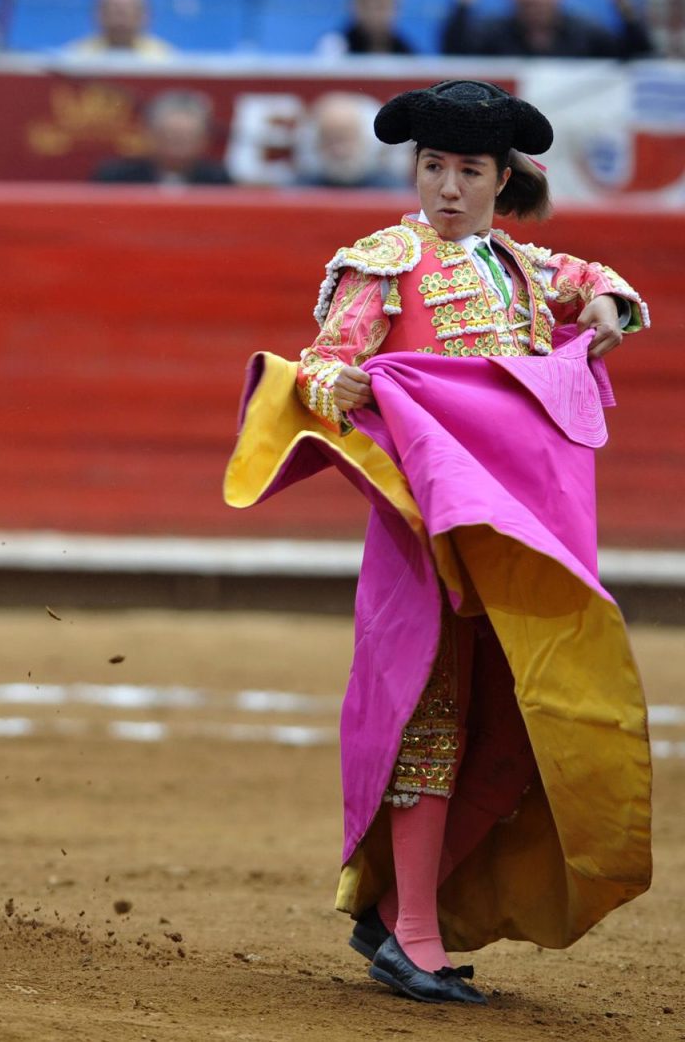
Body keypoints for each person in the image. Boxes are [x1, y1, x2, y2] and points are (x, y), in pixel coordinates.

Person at [228, 80, 651, 1006]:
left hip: (522, 529)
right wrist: (336, 384)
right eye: (432, 168)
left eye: (467, 171)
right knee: (432, 715)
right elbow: (331, 358)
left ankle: (389, 910)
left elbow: (596, 286)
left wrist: (614, 305)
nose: (447, 188)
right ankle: (412, 935)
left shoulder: (525, 266)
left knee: (521, 729)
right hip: (426, 527)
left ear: (503, 180)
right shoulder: (383, 262)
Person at [442, 0, 653, 58]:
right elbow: (454, 57)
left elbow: (639, 58)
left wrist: (624, 5)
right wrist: (463, 4)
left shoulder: (589, 34)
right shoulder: (489, 33)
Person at [91, 91, 230, 186]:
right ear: (149, 134)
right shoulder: (116, 177)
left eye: (185, 138)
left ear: (204, 139)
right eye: (169, 136)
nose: (177, 147)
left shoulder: (218, 180)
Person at [293, 92, 405, 189]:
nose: (339, 150)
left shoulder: (390, 189)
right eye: (330, 140)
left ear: (367, 139)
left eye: (346, 139)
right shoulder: (302, 189)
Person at [66, 0, 175, 59]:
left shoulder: (165, 60)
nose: (120, 19)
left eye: (127, 10)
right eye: (114, 10)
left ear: (145, 16)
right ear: (98, 14)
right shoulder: (76, 59)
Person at [317, 0, 416, 56]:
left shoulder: (408, 52)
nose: (381, 9)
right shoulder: (335, 46)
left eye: (388, 1)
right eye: (374, 1)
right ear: (356, 3)